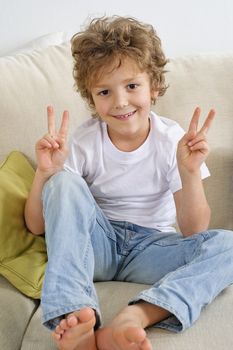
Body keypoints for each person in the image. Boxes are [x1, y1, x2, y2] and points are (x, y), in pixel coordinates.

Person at [24, 16, 233, 350]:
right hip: (98, 244)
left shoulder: (171, 140)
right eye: (105, 91)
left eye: (132, 86)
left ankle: (135, 316)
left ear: (154, 86)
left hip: (151, 248)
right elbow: (36, 226)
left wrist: (189, 171)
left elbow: (195, 230)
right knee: (63, 182)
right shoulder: (82, 141)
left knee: (228, 246)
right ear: (91, 99)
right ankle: (75, 314)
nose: (120, 102)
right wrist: (46, 174)